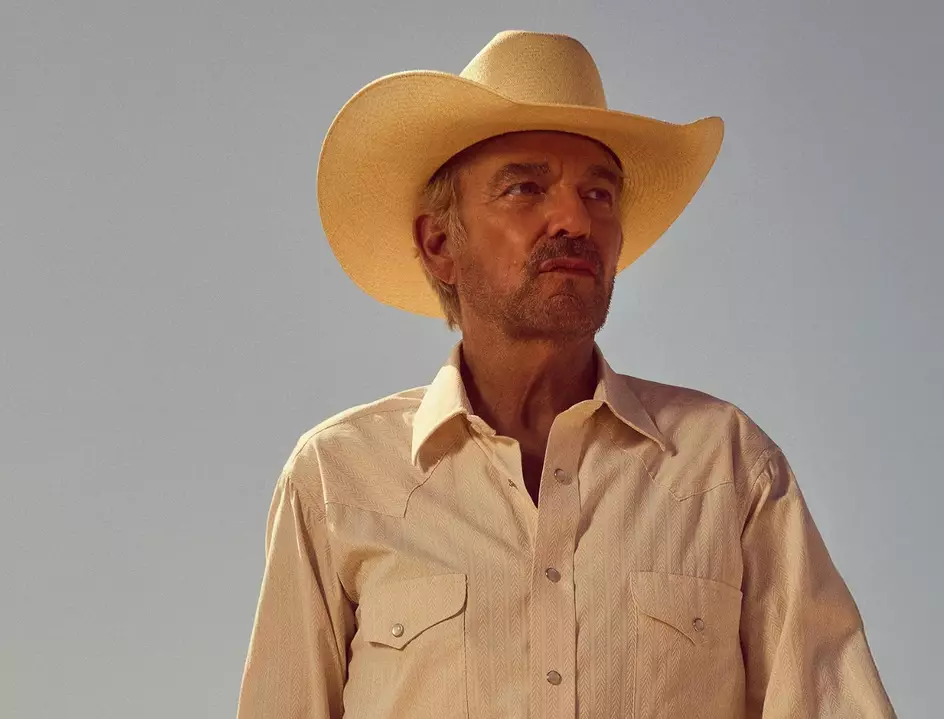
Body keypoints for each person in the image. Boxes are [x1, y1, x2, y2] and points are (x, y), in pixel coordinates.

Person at [237, 30, 895, 719]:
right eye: (525, 187)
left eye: (599, 193)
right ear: (439, 243)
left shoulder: (727, 470)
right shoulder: (337, 481)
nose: (575, 218)